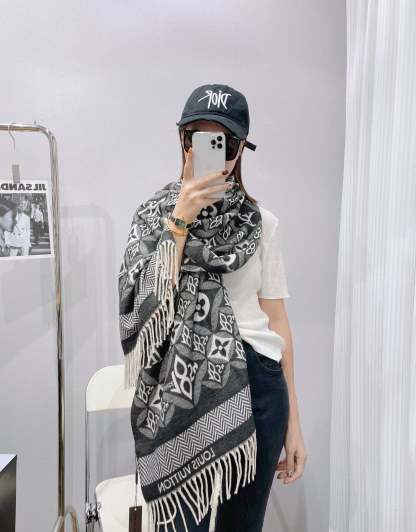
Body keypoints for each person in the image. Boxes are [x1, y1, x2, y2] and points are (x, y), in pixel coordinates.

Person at [119, 83, 307, 532]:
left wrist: (295, 424)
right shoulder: (153, 217)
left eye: (223, 142)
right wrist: (181, 218)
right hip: (179, 389)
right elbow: (143, 302)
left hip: (258, 386)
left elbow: (277, 321)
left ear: (240, 149)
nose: (210, 152)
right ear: (182, 141)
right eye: (198, 138)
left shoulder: (262, 223)